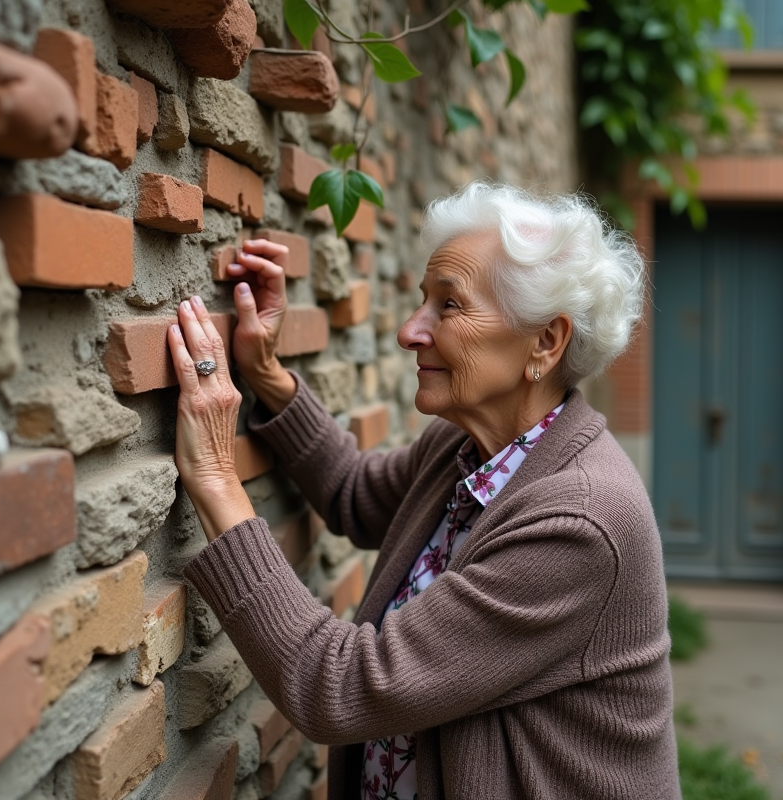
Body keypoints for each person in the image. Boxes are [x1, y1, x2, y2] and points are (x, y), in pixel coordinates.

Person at [169, 182, 680, 799]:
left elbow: (340, 687)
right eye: (423, 302)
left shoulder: (581, 523)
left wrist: (217, 478)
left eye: (449, 305)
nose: (412, 330)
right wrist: (268, 376)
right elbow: (356, 494)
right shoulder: (465, 448)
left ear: (545, 341)